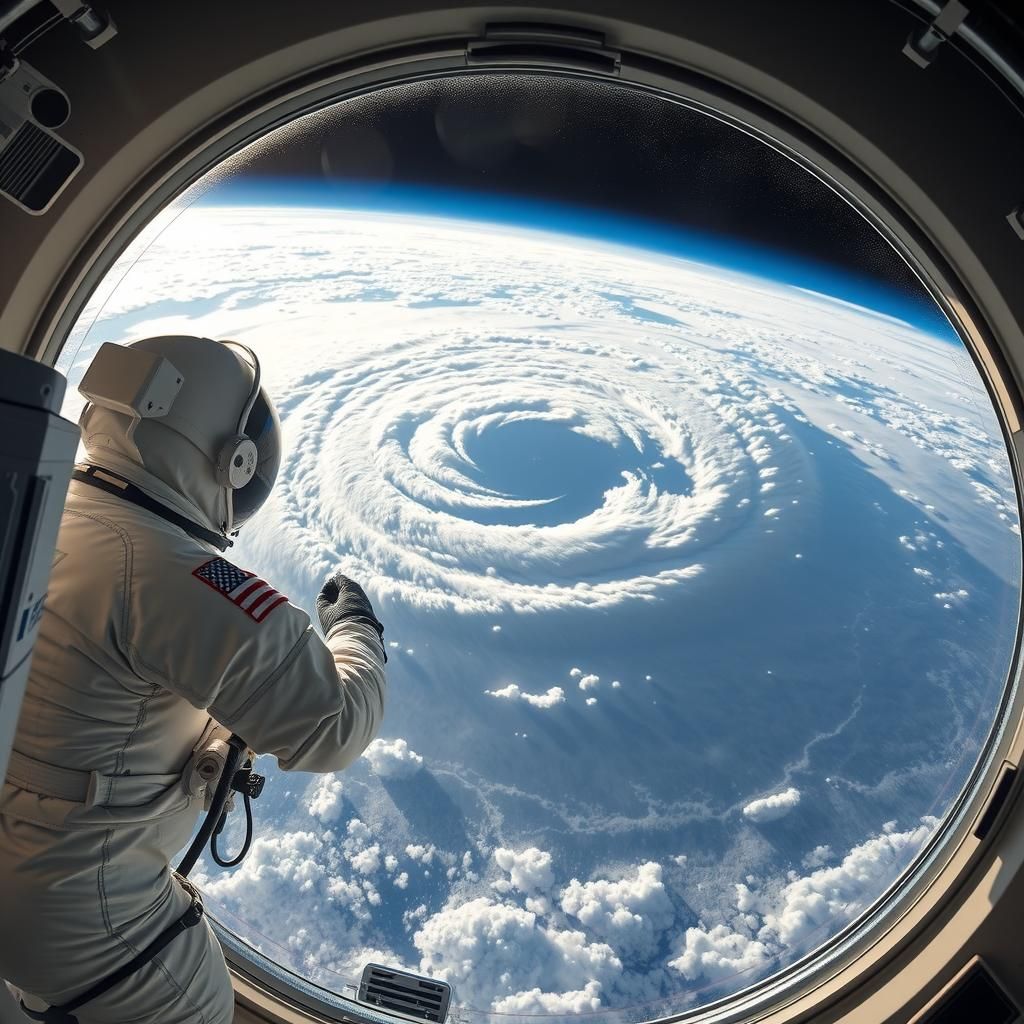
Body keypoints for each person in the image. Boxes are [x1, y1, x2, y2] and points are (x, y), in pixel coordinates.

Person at [0, 335, 388, 1023]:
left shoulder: (35, 509)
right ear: (231, 462)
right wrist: (358, 629)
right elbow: (334, 726)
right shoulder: (175, 574)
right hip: (76, 911)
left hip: (22, 877)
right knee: (204, 1009)